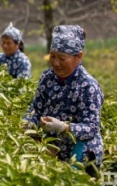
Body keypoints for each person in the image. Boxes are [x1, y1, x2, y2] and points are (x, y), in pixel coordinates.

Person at [23, 25, 104, 176]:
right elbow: (36, 108)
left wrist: (63, 127)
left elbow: (91, 128)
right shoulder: (47, 78)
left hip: (81, 149)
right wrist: (28, 123)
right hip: (52, 146)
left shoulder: (88, 86)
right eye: (52, 56)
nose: (55, 63)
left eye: (62, 58)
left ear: (78, 57)